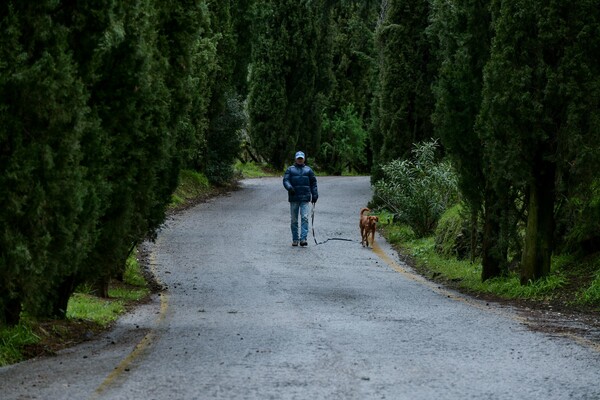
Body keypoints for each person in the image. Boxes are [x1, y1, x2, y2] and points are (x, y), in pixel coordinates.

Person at [283, 151, 318, 246]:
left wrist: (315, 195)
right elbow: (285, 180)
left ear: (304, 159)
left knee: (305, 218)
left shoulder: (309, 170)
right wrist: (289, 187)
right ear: (295, 159)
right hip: (294, 198)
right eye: (298, 158)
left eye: (301, 158)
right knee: (294, 220)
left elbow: (313, 183)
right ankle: (295, 239)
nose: (299, 160)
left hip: (305, 198)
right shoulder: (290, 170)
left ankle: (303, 239)